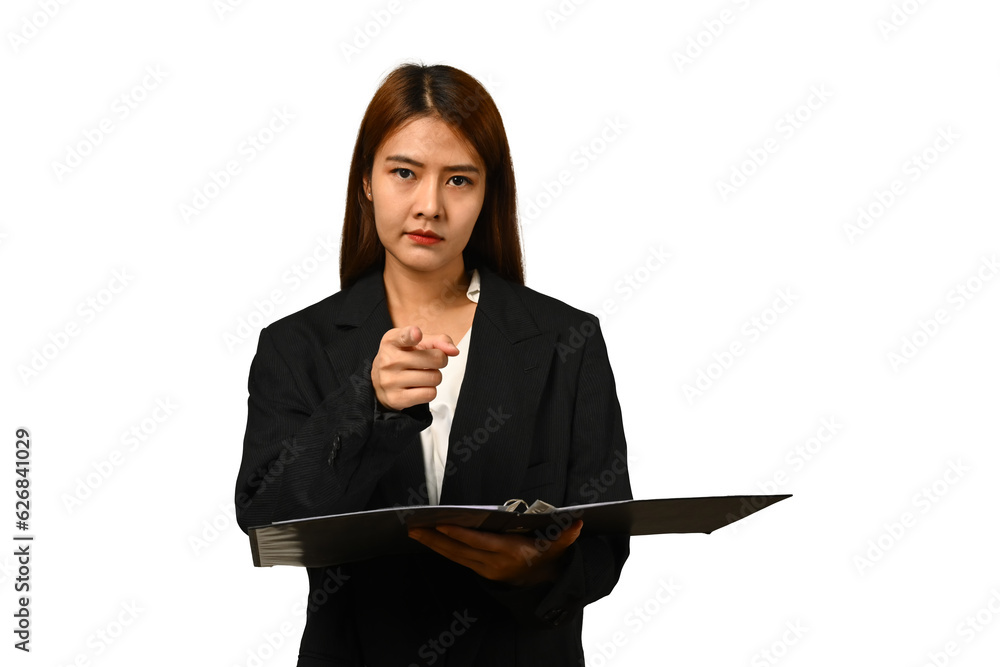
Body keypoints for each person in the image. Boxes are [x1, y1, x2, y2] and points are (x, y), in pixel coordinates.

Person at [235, 62, 632, 666]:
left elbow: (607, 543)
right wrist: (363, 406)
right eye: (404, 173)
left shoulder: (566, 340)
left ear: (486, 194)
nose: (429, 206)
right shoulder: (297, 345)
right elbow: (268, 520)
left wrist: (535, 569)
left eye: (459, 180)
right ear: (366, 181)